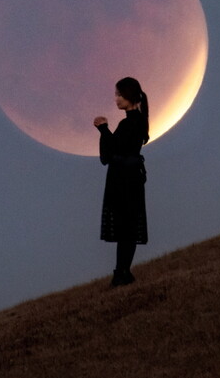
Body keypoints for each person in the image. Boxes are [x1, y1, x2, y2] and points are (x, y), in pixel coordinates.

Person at [93, 77, 149, 288]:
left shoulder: (130, 123)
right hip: (130, 178)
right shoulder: (139, 121)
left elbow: (110, 153)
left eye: (119, 95)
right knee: (128, 227)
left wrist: (104, 129)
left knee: (126, 227)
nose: (116, 99)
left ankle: (121, 274)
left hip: (123, 180)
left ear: (129, 95)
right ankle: (123, 272)